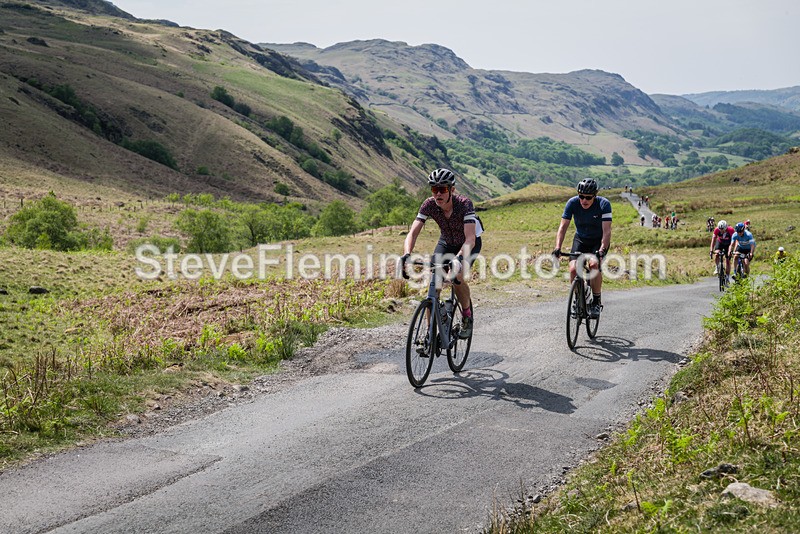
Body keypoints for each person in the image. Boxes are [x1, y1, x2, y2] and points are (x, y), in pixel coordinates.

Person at [401, 168, 483, 338]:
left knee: (457, 277)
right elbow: (413, 232)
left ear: (452, 190)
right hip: (446, 242)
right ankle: (429, 334)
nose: (438, 194)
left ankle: (467, 317)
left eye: (443, 189)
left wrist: (459, 259)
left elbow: (470, 239)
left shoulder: (464, 204)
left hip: (468, 244)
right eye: (434, 189)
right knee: (434, 281)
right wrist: (406, 254)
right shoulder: (429, 204)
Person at [552, 178, 612, 318]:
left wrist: (602, 250)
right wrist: (557, 247)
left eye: (588, 197)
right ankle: (579, 298)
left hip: (598, 241)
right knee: (573, 269)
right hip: (581, 239)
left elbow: (607, 231)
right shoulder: (572, 203)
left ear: (595, 196)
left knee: (594, 265)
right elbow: (563, 227)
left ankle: (596, 301)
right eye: (581, 196)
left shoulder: (604, 204)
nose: (584, 200)